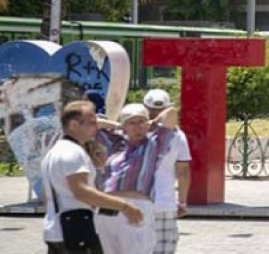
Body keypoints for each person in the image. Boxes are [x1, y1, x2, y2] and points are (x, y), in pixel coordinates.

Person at [41, 101, 144, 254]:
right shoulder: (72, 153)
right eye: (92, 122)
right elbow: (82, 192)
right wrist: (125, 206)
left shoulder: (55, 151)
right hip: (75, 233)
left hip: (57, 230)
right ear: (74, 125)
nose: (97, 126)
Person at [95, 103, 178, 254]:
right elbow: (92, 123)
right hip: (109, 204)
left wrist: (153, 122)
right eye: (131, 123)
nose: (137, 127)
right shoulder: (115, 143)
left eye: (141, 122)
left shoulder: (154, 143)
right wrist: (117, 125)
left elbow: (171, 113)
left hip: (137, 203)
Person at [143, 89, 191, 254]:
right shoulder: (177, 136)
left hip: (137, 202)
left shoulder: (136, 133)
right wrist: (182, 202)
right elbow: (183, 172)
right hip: (164, 203)